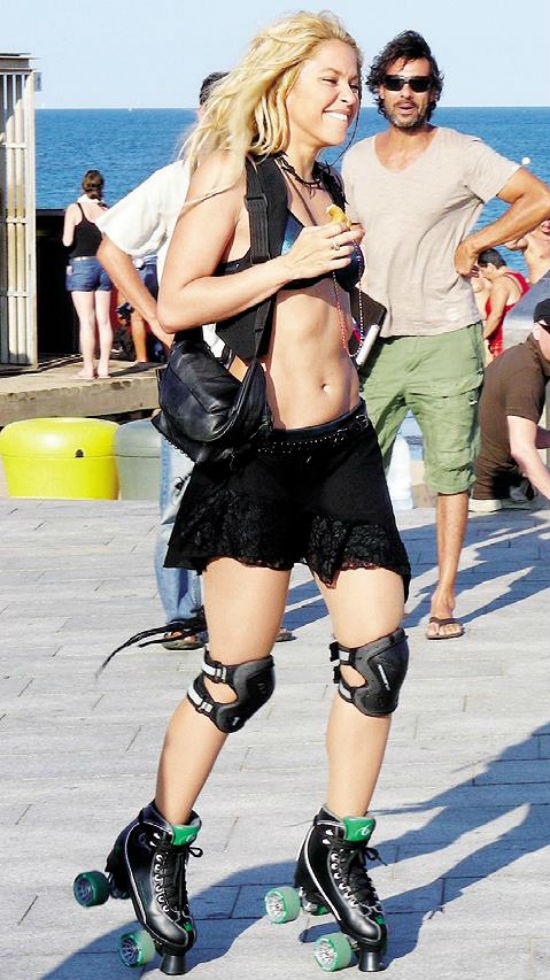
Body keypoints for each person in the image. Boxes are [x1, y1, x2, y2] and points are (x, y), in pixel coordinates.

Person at [96, 13, 411, 975]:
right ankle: (157, 838)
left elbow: (323, 313)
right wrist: (290, 264)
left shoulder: (327, 184)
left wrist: (350, 292)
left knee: (377, 660)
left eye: (354, 81)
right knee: (239, 676)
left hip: (344, 445)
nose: (350, 97)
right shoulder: (232, 173)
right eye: (331, 80)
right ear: (281, 84)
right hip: (259, 452)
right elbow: (178, 297)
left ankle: (336, 848)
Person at [341, 30, 550, 640]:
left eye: (420, 83)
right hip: (372, 340)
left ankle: (445, 594)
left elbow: (538, 198)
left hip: (447, 336)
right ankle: (373, 584)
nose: (407, 93)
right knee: (357, 471)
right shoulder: (355, 161)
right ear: (379, 90)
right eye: (395, 82)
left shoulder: (462, 153)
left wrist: (477, 241)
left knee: (451, 471)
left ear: (434, 92)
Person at [97, 74, 226, 650]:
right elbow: (112, 247)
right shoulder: (177, 182)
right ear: (201, 115)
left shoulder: (267, 180)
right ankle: (183, 613)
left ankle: (237, 609)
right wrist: (153, 317)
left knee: (247, 495)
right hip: (195, 361)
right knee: (180, 494)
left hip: (255, 362)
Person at [469, 299, 550, 512]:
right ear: (537, 330)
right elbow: (522, 449)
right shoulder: (527, 374)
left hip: (486, 482)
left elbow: (518, 430)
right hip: (495, 495)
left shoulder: (520, 356)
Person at [62, 169, 113, 380]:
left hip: (82, 266)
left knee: (86, 321)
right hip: (104, 266)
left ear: (83, 186)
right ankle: (104, 368)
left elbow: (67, 241)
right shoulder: (106, 210)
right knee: (104, 320)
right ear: (101, 187)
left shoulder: (74, 209)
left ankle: (88, 369)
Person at [476, 248, 529, 360]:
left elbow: (496, 315)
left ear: (490, 267)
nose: (483, 276)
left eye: (483, 271)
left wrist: (480, 339)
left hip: (503, 342)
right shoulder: (517, 275)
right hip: (518, 338)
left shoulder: (500, 283)